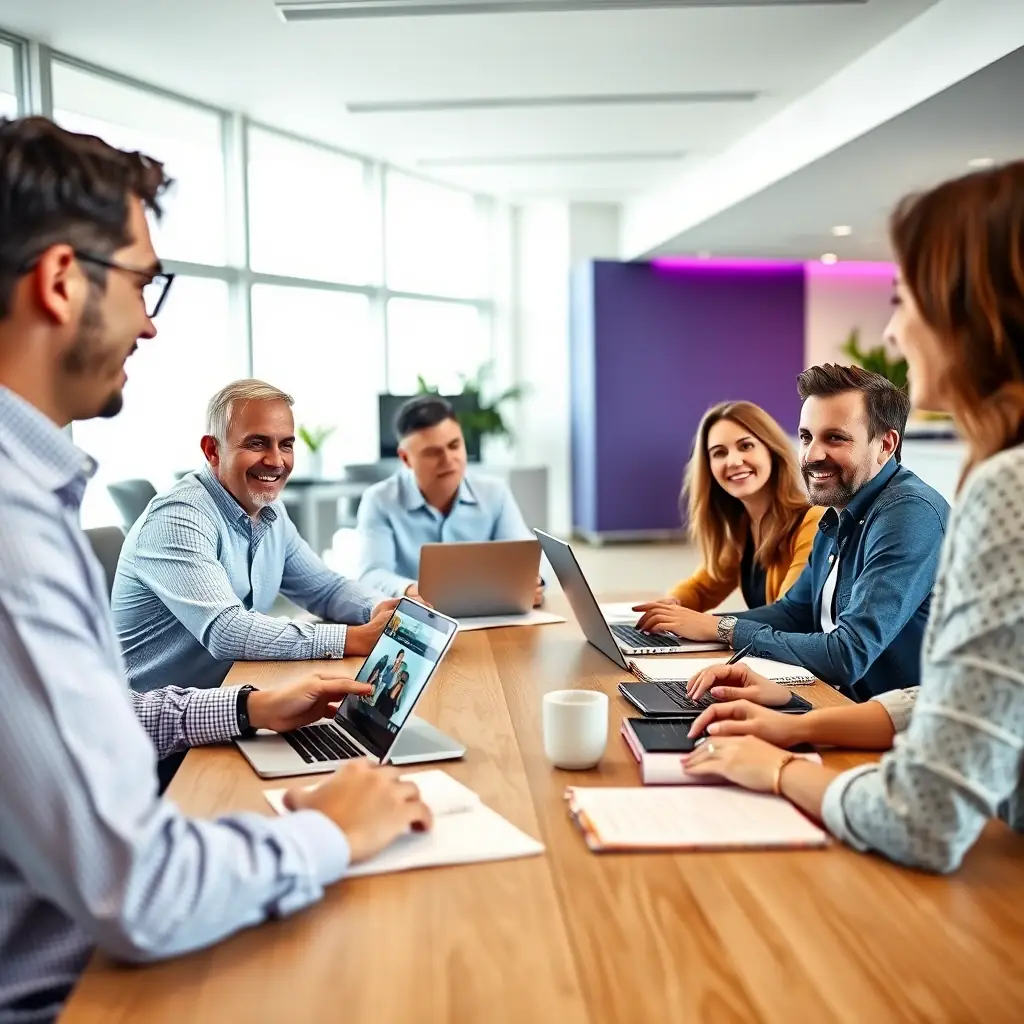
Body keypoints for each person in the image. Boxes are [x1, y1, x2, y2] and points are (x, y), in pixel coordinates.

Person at [0, 116, 431, 1023]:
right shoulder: (20, 536)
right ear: (62, 281)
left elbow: (79, 722)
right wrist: (327, 830)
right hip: (80, 987)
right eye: (145, 282)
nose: (151, 323)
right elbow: (143, 892)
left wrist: (241, 705)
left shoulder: (37, 500)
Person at [681, 160, 1024, 874]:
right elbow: (955, 696)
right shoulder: (844, 513)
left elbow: (920, 818)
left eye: (907, 299)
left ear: (975, 311)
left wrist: (776, 767)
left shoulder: (999, 492)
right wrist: (794, 714)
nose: (894, 332)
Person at [636, 365, 950, 700]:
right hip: (842, 703)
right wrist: (701, 624)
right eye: (806, 437)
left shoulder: (909, 514)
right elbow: (793, 612)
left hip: (898, 725)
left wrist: (722, 628)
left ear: (885, 445)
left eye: (835, 438)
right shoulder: (838, 513)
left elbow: (848, 654)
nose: (812, 455)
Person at [112, 379, 399, 694]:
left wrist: (381, 609)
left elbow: (325, 589)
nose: (276, 461)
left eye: (286, 444)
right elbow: (226, 631)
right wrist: (354, 639)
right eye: (257, 443)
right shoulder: (178, 517)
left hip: (237, 696)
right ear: (212, 450)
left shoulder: (269, 512)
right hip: (162, 727)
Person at [637, 401, 823, 614]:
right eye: (719, 453)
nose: (733, 461)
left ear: (771, 450)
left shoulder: (814, 521)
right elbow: (702, 589)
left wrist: (703, 625)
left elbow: (789, 615)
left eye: (746, 446)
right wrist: (671, 605)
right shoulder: (744, 528)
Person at [355, 395, 543, 606]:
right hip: (417, 622)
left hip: (491, 616)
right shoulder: (379, 500)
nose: (448, 460)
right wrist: (412, 590)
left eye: (454, 446)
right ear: (406, 459)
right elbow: (371, 575)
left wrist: (534, 582)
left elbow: (529, 559)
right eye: (432, 453)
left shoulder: (494, 493)